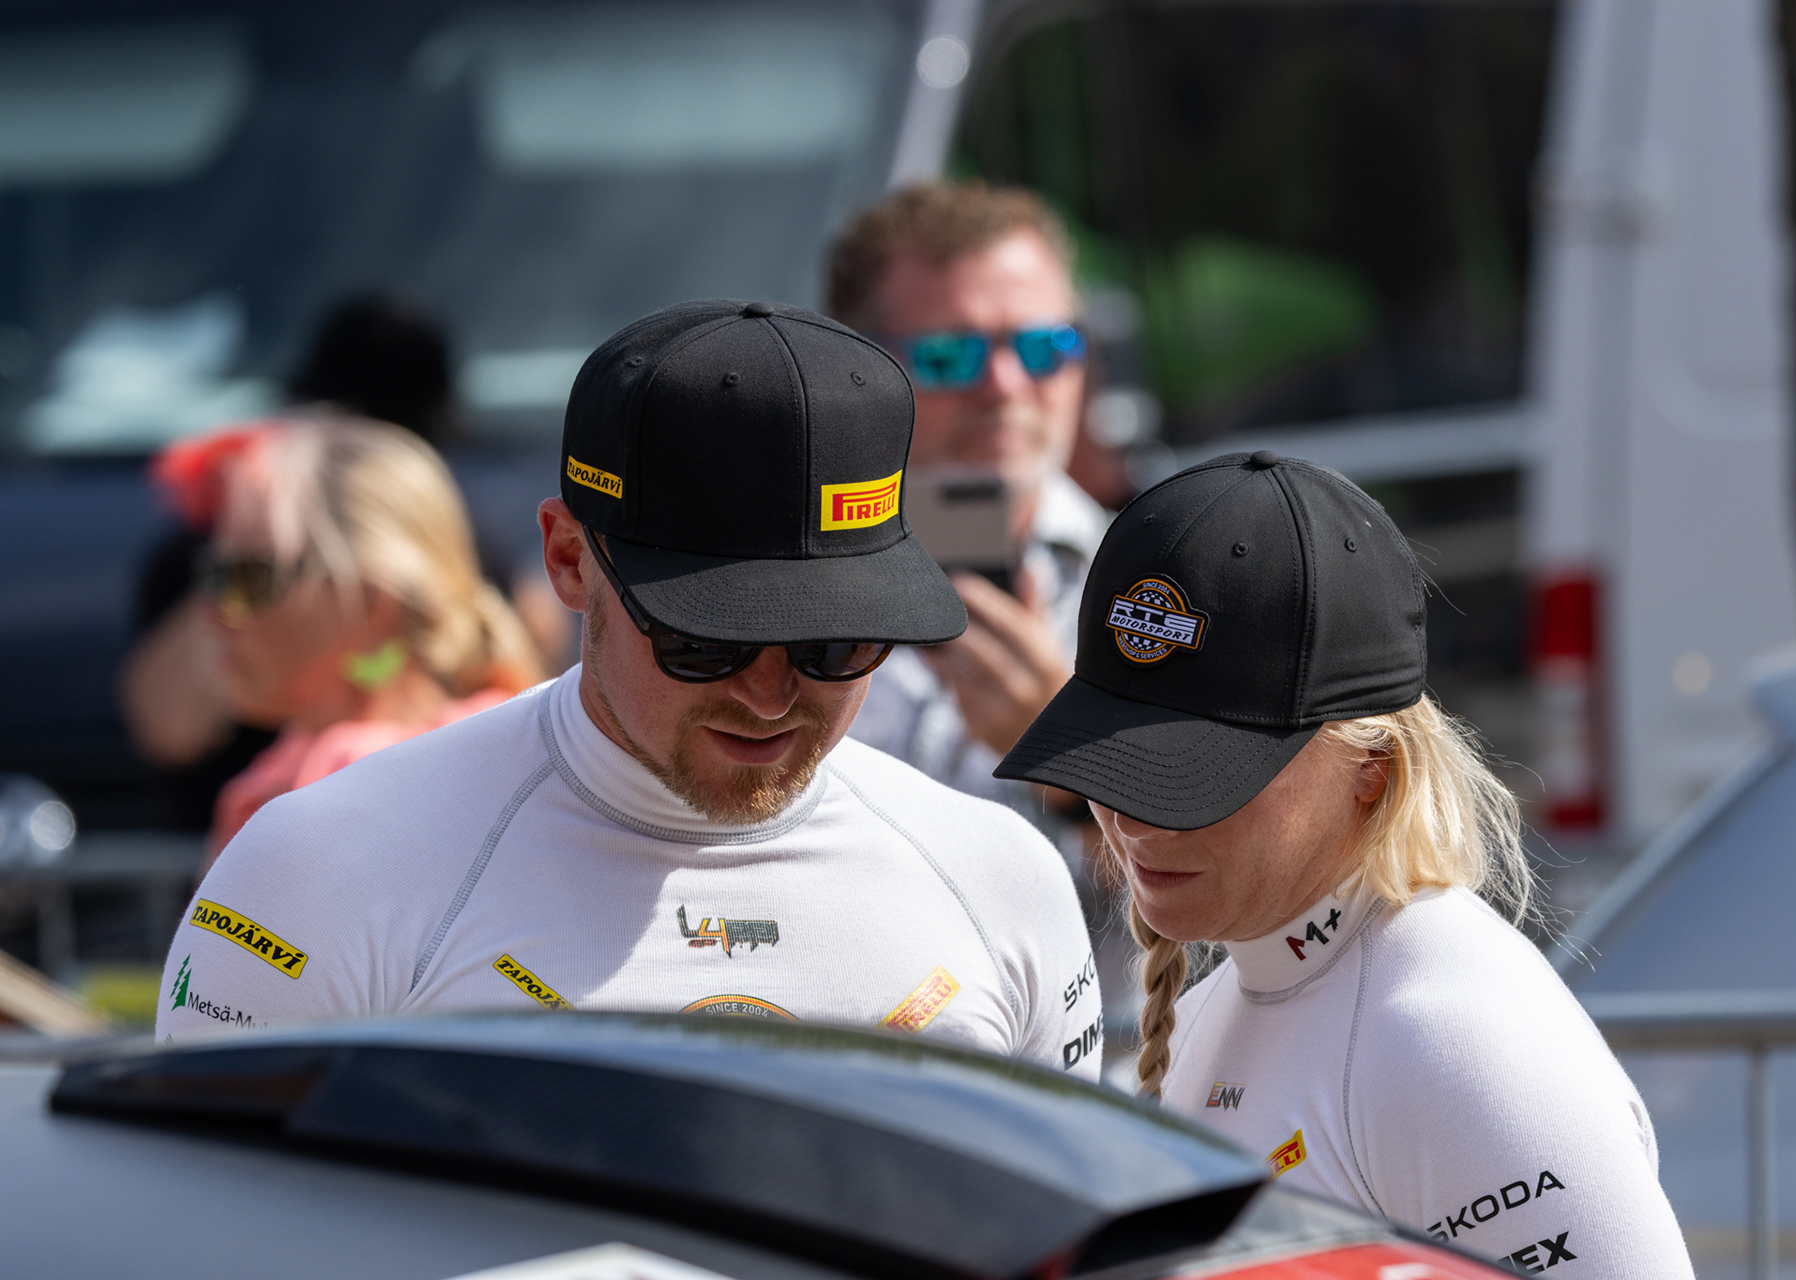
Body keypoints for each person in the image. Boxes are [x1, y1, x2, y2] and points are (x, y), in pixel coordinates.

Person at [155, 301, 1104, 1081]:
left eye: (835, 645)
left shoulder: (1003, 880)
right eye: (705, 641)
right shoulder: (315, 875)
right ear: (569, 560)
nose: (771, 696)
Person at [994, 452, 1692, 1277]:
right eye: (1110, 759)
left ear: (1373, 765)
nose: (1132, 818)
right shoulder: (1233, 1006)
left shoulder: (1452, 1040)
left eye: (1195, 776)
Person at [826, 181, 1108, 819]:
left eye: (1044, 347)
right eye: (950, 355)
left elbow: (1228, 877)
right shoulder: (771, 597)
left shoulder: (1168, 586)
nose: (1005, 384)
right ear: (852, 367)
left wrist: (1071, 768)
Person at [172, 418, 545, 864]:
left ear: (369, 606)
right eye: (214, 575)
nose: (213, 615)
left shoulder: (375, 782)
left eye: (248, 578)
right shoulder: (505, 754)